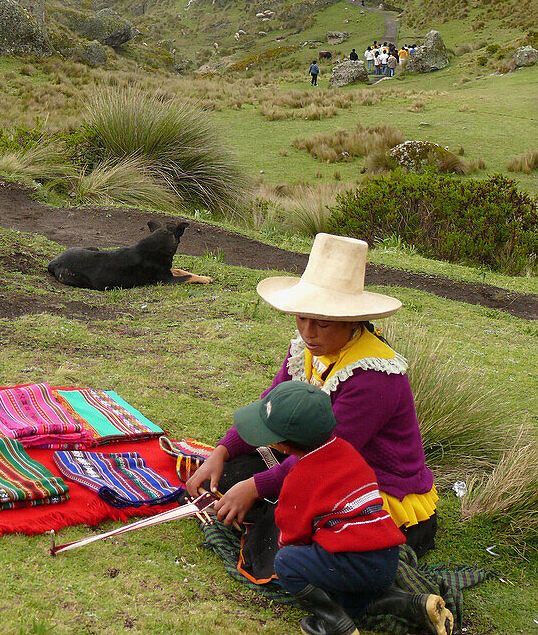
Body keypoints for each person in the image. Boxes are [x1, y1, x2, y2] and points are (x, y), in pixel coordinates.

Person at [187, 233, 439, 577]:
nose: (308, 332)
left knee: (289, 533)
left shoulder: (374, 377)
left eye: (322, 323)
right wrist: (221, 451)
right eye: (301, 318)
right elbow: (269, 410)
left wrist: (256, 486)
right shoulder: (308, 351)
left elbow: (331, 457)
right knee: (227, 478)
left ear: (352, 320)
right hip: (316, 466)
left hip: (369, 486)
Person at [230, 382, 454, 635]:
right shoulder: (347, 450)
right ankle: (414, 604)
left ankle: (335, 623)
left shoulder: (297, 478)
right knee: (353, 600)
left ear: (282, 446)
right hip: (387, 557)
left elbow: (292, 535)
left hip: (353, 563)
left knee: (287, 562)